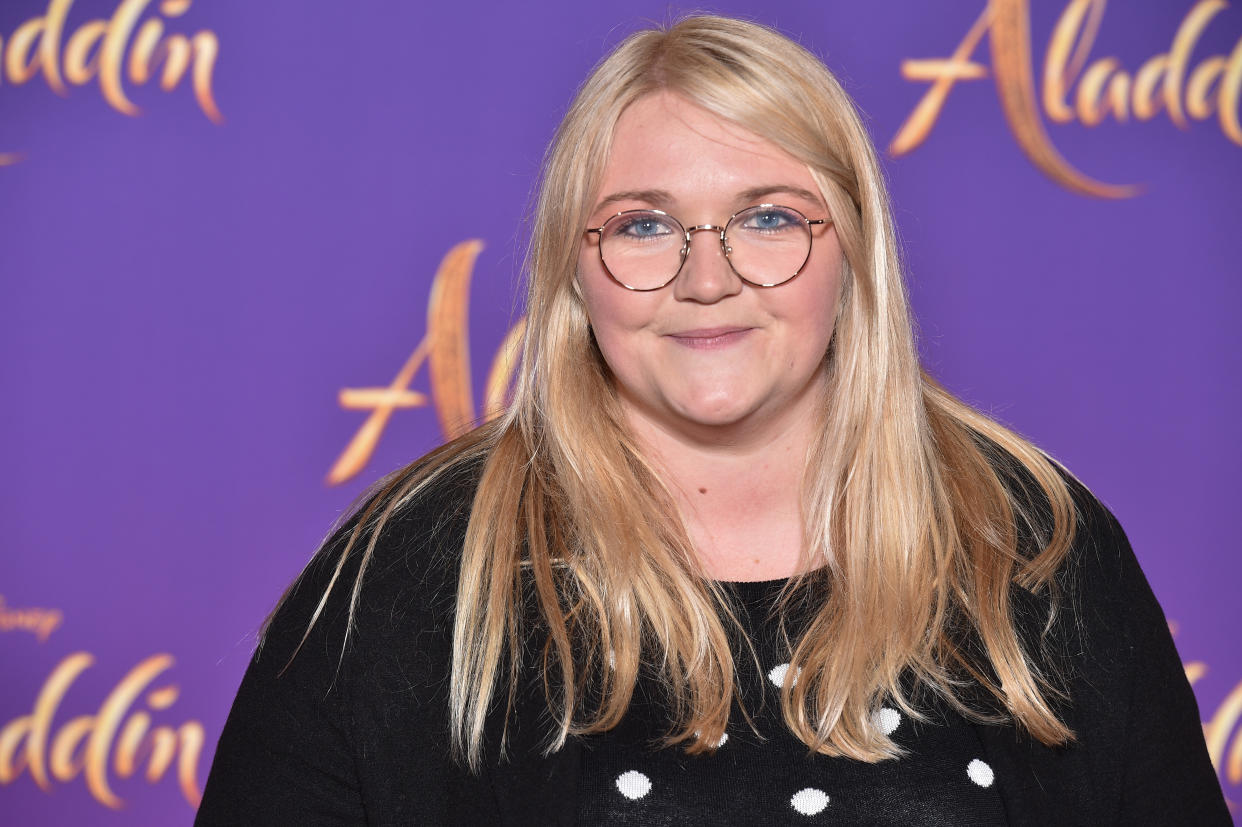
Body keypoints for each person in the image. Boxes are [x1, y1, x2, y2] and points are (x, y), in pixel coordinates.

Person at [196, 15, 1229, 826]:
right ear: (573, 267)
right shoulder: (414, 570)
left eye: (768, 217)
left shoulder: (1037, 547)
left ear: (854, 250)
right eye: (643, 224)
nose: (706, 276)